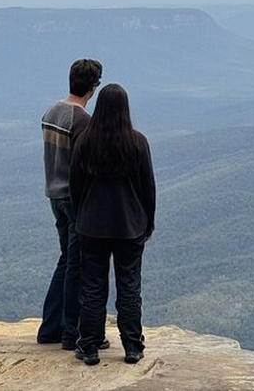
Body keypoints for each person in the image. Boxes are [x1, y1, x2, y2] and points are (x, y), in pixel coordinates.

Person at [70, 83, 156, 366]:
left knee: (93, 288)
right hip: (129, 226)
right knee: (129, 286)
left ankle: (90, 347)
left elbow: (75, 186)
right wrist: (149, 221)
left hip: (92, 225)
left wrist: (80, 214)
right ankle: (132, 347)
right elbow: (147, 188)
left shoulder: (85, 141)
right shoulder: (137, 142)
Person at [38, 58, 104, 351]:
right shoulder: (82, 122)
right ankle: (70, 333)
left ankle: (50, 328)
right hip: (75, 201)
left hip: (54, 195)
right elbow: (86, 168)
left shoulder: (51, 111)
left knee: (66, 260)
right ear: (94, 87)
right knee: (77, 264)